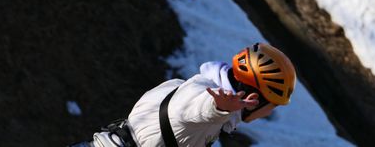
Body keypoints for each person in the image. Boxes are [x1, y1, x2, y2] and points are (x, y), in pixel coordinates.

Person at [85, 42, 296, 147]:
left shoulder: (183, 85)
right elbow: (193, 109)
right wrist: (219, 107)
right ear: (256, 99)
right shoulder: (200, 95)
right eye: (273, 105)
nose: (268, 113)